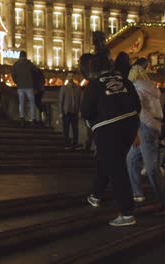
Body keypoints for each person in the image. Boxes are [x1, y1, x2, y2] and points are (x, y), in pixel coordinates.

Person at [81, 53, 141, 227]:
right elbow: (137, 106)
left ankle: (127, 212)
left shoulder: (94, 85)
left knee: (116, 168)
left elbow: (86, 111)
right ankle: (96, 195)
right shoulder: (124, 80)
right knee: (107, 160)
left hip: (108, 127)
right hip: (130, 124)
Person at [126, 64, 165, 211]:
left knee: (151, 168)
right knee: (132, 159)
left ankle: (161, 199)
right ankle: (137, 193)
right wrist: (155, 125)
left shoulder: (135, 88)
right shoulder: (151, 87)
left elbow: (139, 111)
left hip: (144, 127)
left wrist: (146, 125)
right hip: (153, 125)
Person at [11, 50, 36, 126]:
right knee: (32, 103)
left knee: (21, 103)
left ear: (19, 56)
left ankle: (22, 118)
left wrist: (17, 82)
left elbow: (13, 75)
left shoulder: (16, 64)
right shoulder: (29, 64)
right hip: (29, 86)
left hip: (20, 86)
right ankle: (33, 119)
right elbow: (35, 73)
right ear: (25, 56)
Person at [59, 72, 82, 150]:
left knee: (75, 129)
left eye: (72, 76)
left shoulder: (77, 88)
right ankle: (66, 144)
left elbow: (79, 101)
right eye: (69, 76)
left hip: (74, 111)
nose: (70, 77)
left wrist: (79, 111)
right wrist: (60, 112)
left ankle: (75, 143)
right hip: (66, 111)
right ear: (67, 78)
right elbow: (61, 101)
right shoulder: (64, 88)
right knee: (66, 129)